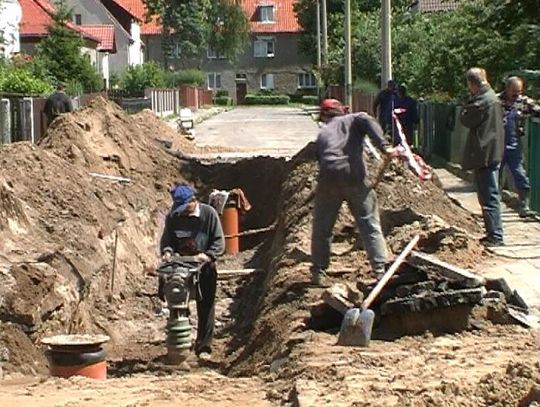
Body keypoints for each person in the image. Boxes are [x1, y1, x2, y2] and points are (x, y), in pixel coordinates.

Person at [311, 99, 398, 286]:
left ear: (325, 116)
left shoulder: (323, 132)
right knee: (369, 225)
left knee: (322, 228)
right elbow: (366, 118)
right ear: (342, 111)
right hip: (354, 178)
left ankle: (318, 272)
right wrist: (384, 147)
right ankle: (381, 270)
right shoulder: (353, 118)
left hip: (328, 179)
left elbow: (319, 158)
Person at [160, 184, 225, 358]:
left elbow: (219, 242)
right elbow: (167, 239)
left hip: (204, 265)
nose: (182, 212)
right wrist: (167, 251)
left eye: (184, 207)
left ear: (193, 201)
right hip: (181, 265)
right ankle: (180, 343)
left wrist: (208, 255)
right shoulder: (174, 217)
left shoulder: (209, 214)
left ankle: (204, 346)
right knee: (177, 300)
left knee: (206, 305)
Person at [460, 68, 504, 246]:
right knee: (489, 194)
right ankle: (493, 233)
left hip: (484, 153)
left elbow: (466, 119)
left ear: (472, 83)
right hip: (493, 150)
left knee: (488, 195)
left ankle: (495, 236)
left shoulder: (482, 101)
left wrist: (465, 108)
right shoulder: (493, 97)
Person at [498, 76, 540, 217]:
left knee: (520, 174)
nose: (517, 94)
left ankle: (524, 206)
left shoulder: (524, 102)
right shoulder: (496, 101)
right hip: (497, 143)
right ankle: (494, 206)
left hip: (514, 143)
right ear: (507, 88)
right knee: (495, 175)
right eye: (514, 91)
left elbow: (537, 110)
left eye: (519, 91)